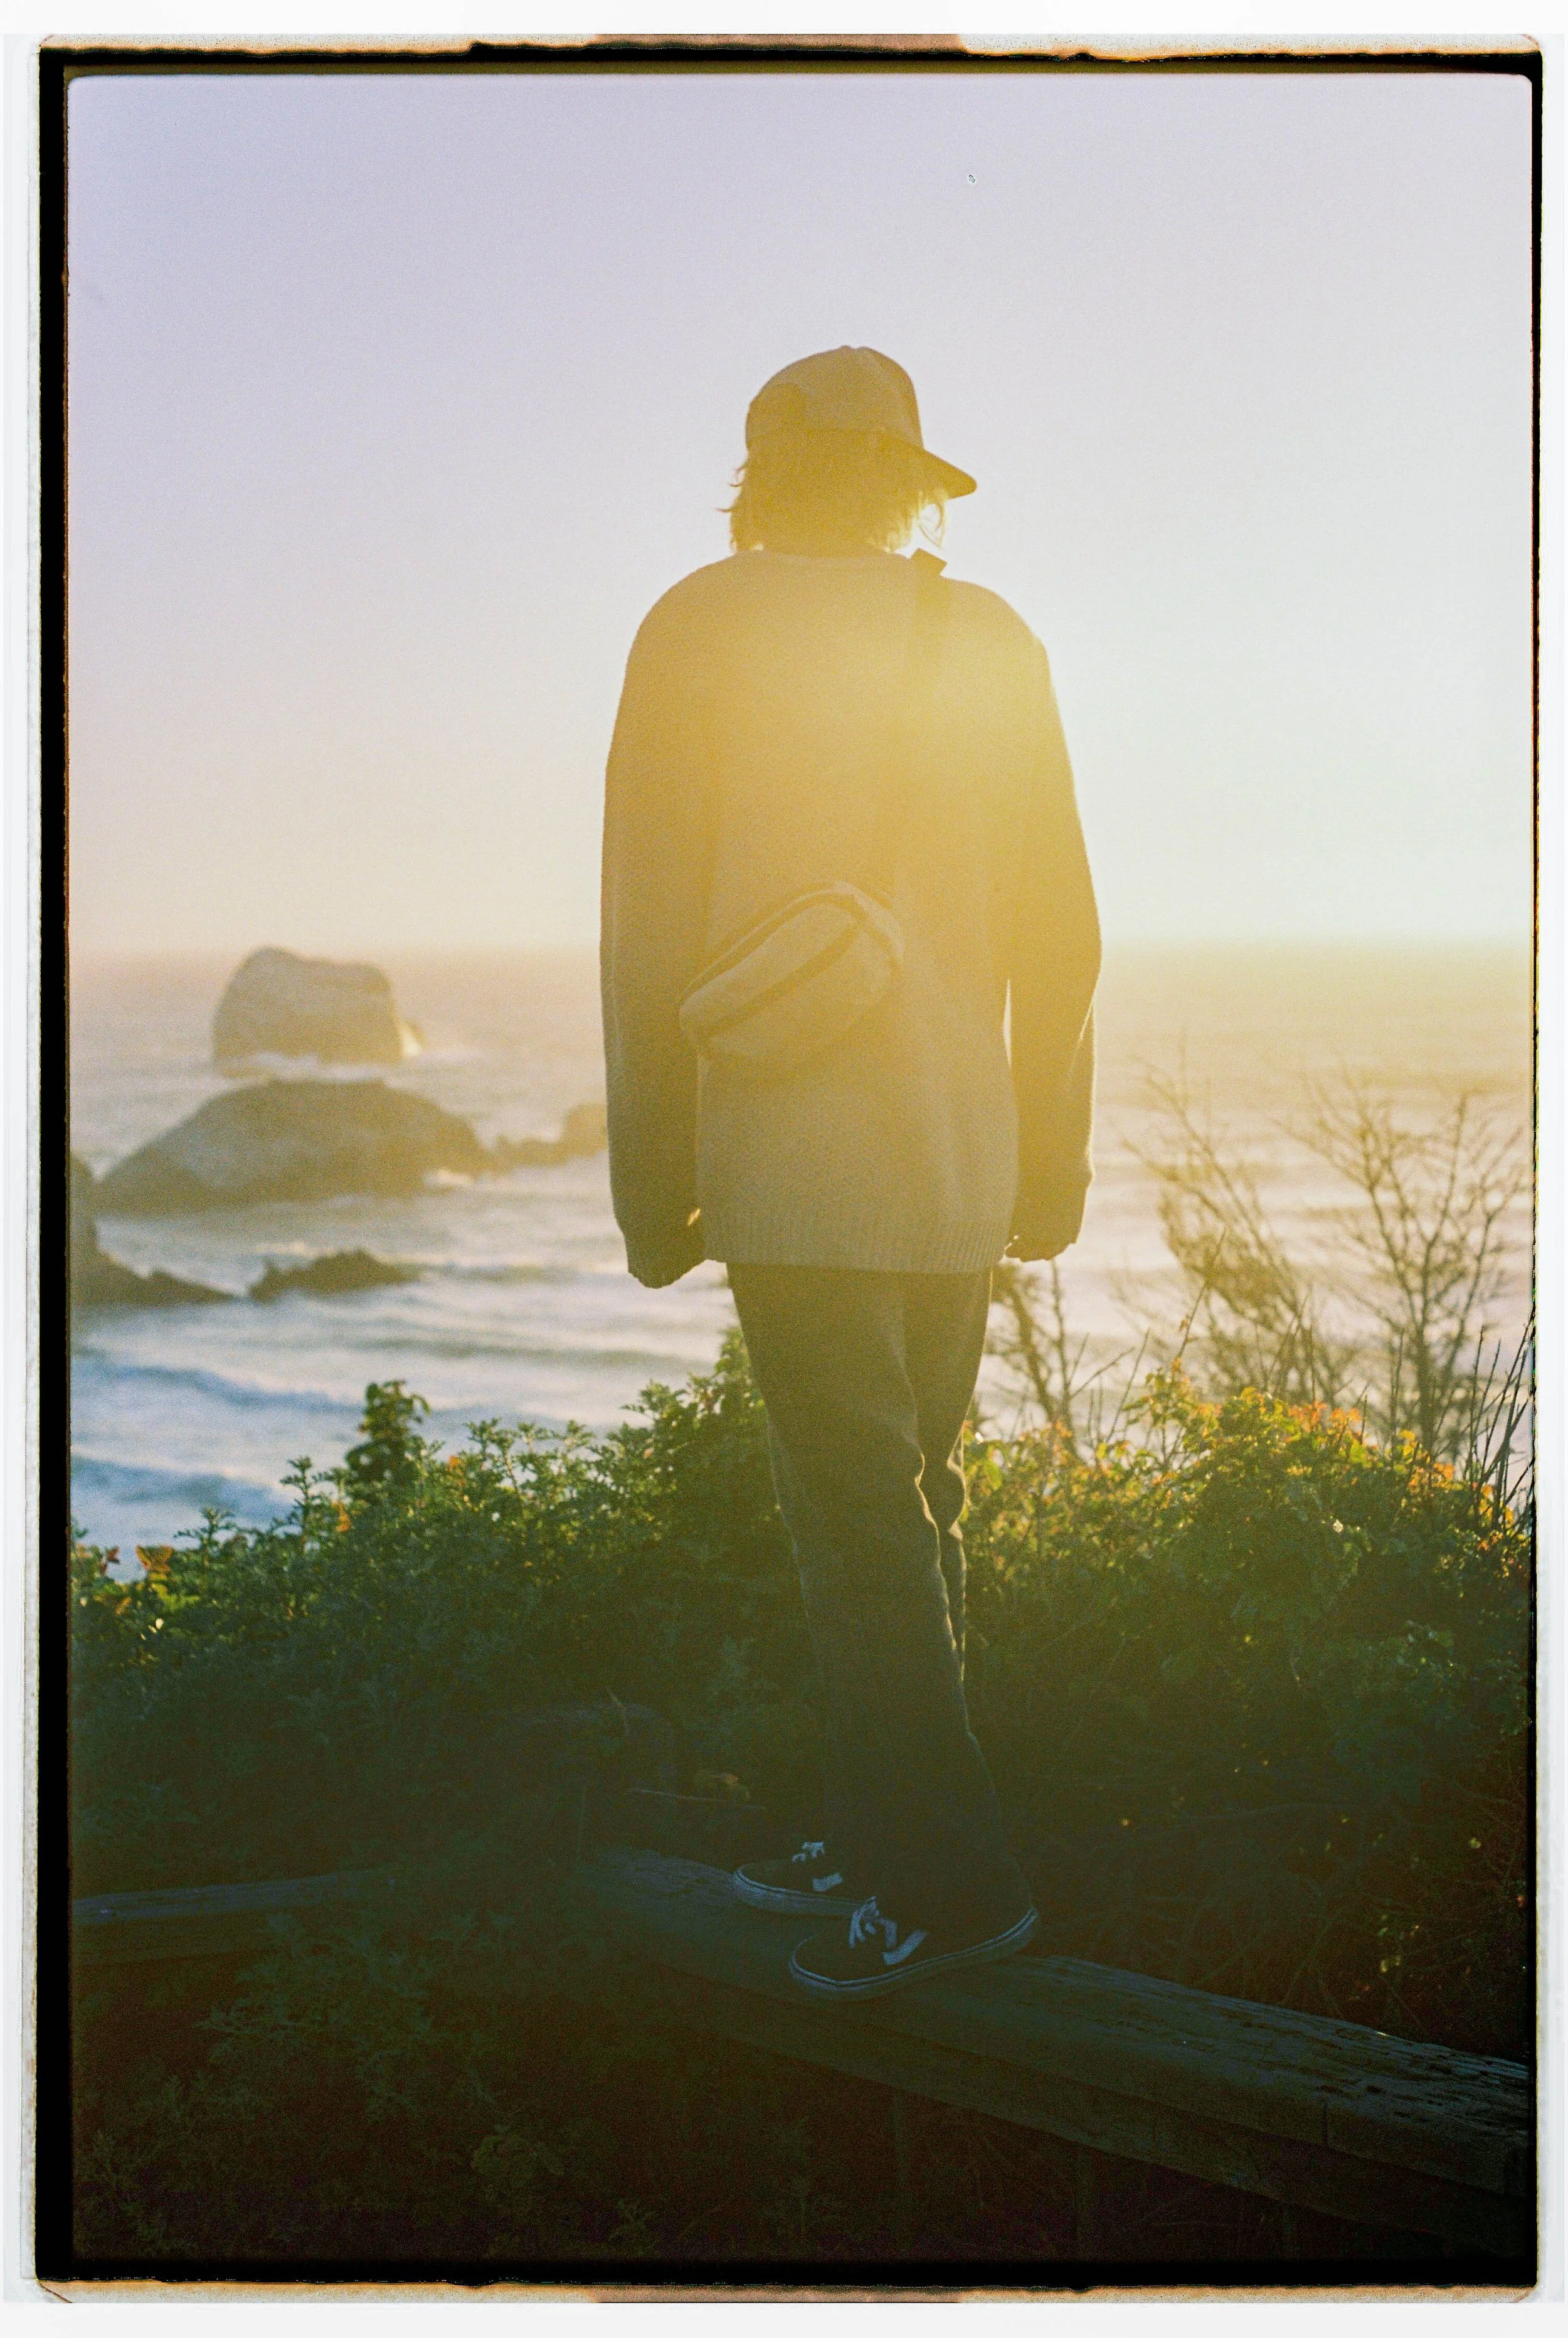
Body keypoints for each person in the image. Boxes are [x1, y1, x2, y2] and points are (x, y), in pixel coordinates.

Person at [600, 346, 1100, 1999]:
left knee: (855, 1531)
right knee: (917, 1511)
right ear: (906, 479)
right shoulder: (988, 635)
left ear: (761, 477)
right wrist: (1052, 1155)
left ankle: (953, 1895)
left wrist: (651, 1179)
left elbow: (646, 933)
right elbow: (1062, 935)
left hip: (793, 1158)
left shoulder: (695, 626)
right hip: (957, 1157)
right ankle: (879, 1830)